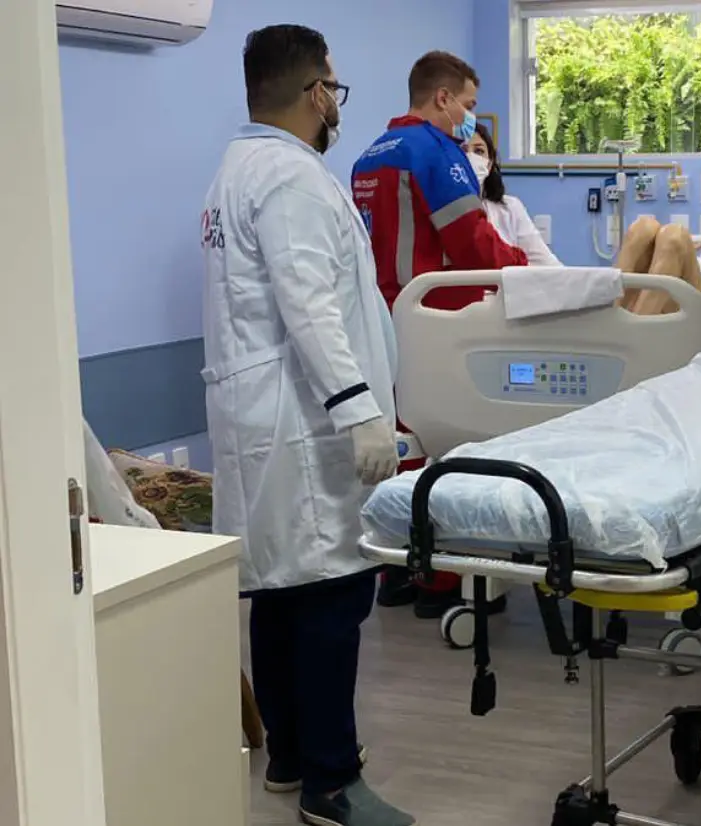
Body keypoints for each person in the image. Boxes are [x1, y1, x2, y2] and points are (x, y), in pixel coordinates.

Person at [201, 25, 413, 826]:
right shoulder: (289, 176)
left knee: (281, 592)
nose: (337, 104)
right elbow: (310, 306)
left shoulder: (235, 171)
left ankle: (290, 756)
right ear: (316, 92)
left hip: (267, 421)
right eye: (335, 88)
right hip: (306, 422)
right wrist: (361, 411)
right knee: (331, 591)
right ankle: (331, 782)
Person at [351, 51, 528, 619]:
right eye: (468, 105)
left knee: (404, 445)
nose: (470, 118)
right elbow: (472, 240)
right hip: (440, 320)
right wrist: (523, 267)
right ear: (443, 97)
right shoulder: (434, 149)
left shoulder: (369, 154)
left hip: (385, 316)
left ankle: (397, 573)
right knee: (451, 446)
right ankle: (441, 582)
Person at [467, 123, 561, 266]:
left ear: (490, 163)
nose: (470, 158)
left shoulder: (510, 208)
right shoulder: (440, 209)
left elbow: (546, 264)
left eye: (479, 151)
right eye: (462, 150)